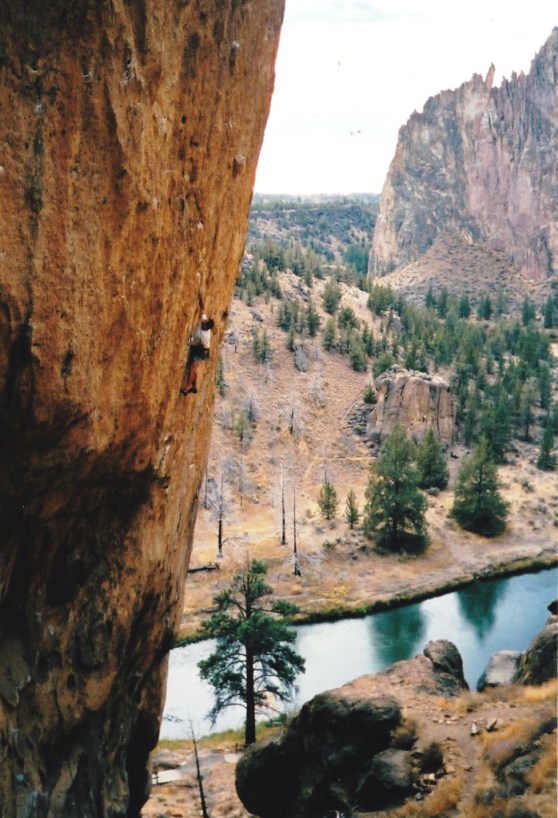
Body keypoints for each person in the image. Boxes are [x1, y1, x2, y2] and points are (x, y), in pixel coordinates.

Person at [180, 298, 214, 395]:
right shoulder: (204, 322)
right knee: (193, 368)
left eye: (205, 322)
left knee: (192, 367)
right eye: (205, 320)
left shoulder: (205, 336)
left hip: (202, 351)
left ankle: (187, 387)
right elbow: (203, 309)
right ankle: (194, 386)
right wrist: (200, 297)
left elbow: (200, 345)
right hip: (200, 348)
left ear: (206, 327)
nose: (203, 320)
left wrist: (191, 343)